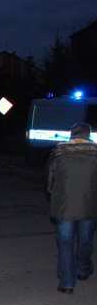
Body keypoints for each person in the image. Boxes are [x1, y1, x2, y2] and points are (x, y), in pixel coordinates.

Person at [47, 122, 97, 294]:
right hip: (90, 206)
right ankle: (83, 269)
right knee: (85, 240)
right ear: (88, 136)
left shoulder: (58, 154)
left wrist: (57, 194)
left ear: (71, 135)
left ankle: (67, 282)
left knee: (66, 242)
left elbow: (49, 181)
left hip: (64, 207)